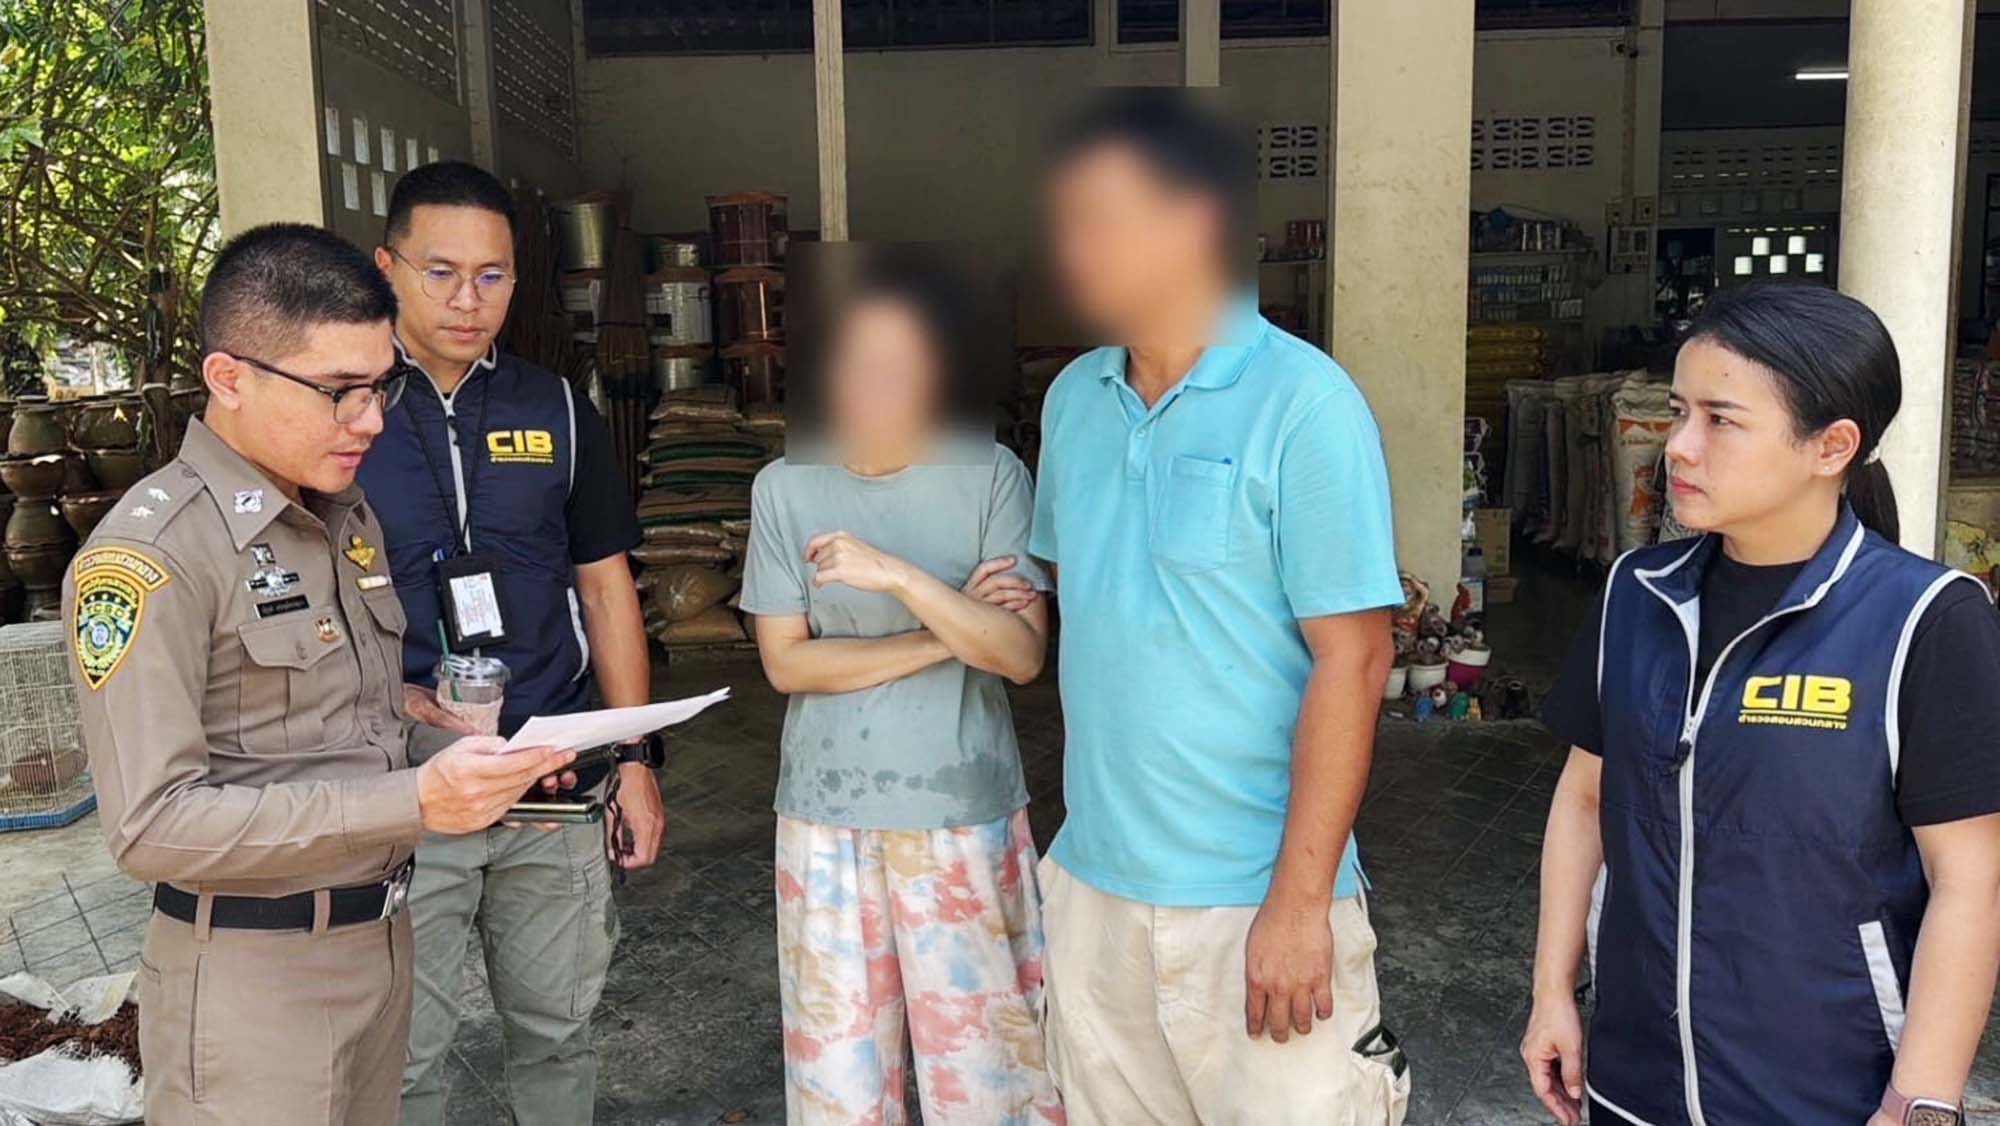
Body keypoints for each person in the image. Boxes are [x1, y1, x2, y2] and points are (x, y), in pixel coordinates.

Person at [64, 223, 574, 1125]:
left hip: (378, 948)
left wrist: (456, 747)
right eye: (340, 392)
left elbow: (343, 723)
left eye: (380, 388)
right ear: (230, 379)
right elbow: (151, 826)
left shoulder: (339, 513)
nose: (371, 421)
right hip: (251, 988)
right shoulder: (154, 557)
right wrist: (416, 802)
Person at [1523, 283, 2000, 1126]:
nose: (1678, 447)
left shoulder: (1926, 621)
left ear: (1831, 447)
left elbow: (1969, 879)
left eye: (1721, 419)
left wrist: (1920, 1101)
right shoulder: (1638, 594)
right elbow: (1586, 798)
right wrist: (1553, 991)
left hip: (1829, 1098)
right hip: (1634, 1085)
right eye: (1678, 412)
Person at [1028, 88, 1411, 1124]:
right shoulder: (1073, 402)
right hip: (1097, 886)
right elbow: (1089, 598)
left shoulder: (1305, 402)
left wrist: (1297, 905)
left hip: (1255, 896)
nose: (1071, 250)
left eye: (1097, 220)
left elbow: (1356, 660)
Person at [352, 161, 663, 1125]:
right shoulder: (341, 411)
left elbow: (607, 588)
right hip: (405, 780)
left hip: (551, 769)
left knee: (558, 1030)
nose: (466, 300)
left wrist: (638, 760)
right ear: (388, 267)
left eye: (492, 276)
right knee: (404, 1050)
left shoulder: (558, 408)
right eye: (440, 272)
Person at [738, 258, 1063, 1124]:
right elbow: (788, 666)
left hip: (964, 810)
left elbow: (1023, 654)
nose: (871, 385)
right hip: (823, 813)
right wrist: (949, 632)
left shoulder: (991, 474)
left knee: (989, 1071)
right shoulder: (785, 489)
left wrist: (897, 577)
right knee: (836, 1076)